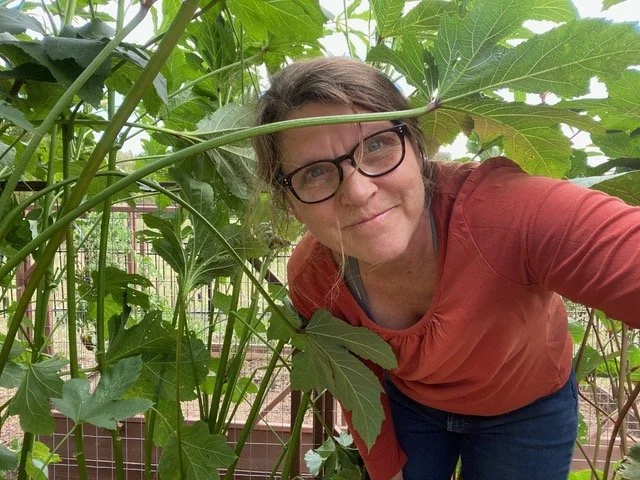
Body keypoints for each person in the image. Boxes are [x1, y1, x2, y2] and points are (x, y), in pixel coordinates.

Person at [253, 56, 640, 480]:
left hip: (526, 407)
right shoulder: (312, 276)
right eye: (314, 173)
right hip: (410, 406)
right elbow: (357, 383)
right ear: (289, 203)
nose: (359, 192)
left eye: (377, 145)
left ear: (417, 146)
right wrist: (386, 469)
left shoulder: (505, 213)